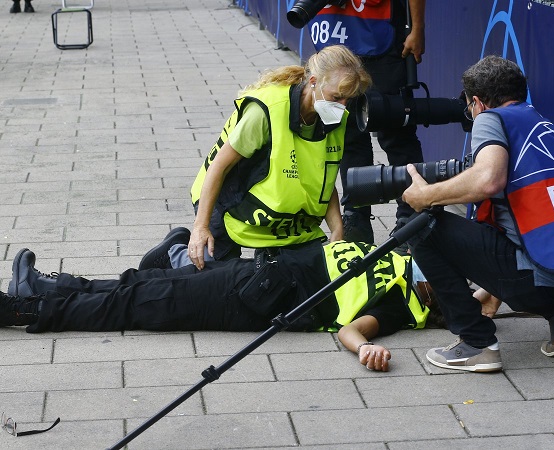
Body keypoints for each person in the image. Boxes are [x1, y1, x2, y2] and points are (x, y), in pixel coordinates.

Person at [401, 55, 554, 372]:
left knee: (422, 228)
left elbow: (488, 179)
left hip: (542, 284)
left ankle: (477, 343)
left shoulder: (491, 119)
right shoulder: (546, 127)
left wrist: (426, 195)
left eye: (469, 106)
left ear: (477, 102)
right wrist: (492, 289)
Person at [3, 238, 446, 372]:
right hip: (256, 271)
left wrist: (365, 349)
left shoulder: (404, 303)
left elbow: (355, 330)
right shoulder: (402, 258)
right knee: (143, 281)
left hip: (254, 299)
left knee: (138, 304)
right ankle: (47, 288)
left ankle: (24, 311)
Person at [141, 45, 371, 272]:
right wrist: (200, 227)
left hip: (276, 214)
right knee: (216, 278)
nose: (342, 107)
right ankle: (174, 254)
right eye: (337, 97)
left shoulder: (334, 119)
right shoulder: (267, 110)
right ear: (313, 83)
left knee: (296, 277)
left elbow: (324, 178)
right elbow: (218, 167)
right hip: (227, 197)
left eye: (348, 100)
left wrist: (337, 230)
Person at [309, 0, 426, 246]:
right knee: (347, 135)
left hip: (382, 36)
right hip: (334, 34)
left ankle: (411, 217)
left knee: (396, 131)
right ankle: (356, 218)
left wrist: (417, 28)